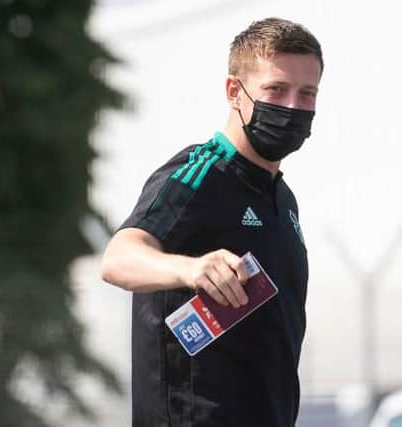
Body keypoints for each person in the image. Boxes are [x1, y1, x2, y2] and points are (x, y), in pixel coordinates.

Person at [100, 17, 323, 427]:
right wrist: (190, 267)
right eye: (276, 89)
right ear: (234, 91)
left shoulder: (283, 200)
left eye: (306, 94)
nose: (292, 107)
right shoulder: (200, 173)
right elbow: (117, 258)